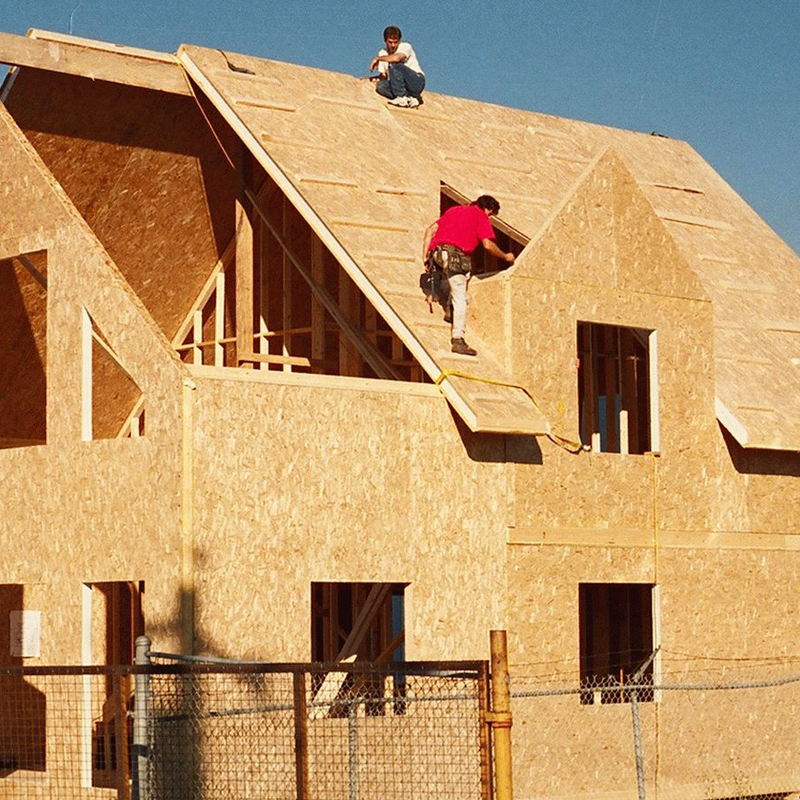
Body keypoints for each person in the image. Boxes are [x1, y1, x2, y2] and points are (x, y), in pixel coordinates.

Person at [422, 196, 516, 356]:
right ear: (488, 209)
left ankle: (449, 307)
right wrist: (505, 256)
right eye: (490, 215)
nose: (489, 218)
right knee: (461, 296)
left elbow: (430, 230)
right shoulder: (480, 215)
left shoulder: (454, 210)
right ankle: (458, 339)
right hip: (454, 256)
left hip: (437, 255)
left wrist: (425, 257)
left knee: (461, 275)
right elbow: (487, 245)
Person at [369, 26, 425, 108]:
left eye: (395, 42)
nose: (393, 45)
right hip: (401, 85)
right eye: (390, 42)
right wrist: (369, 79)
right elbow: (383, 76)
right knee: (381, 86)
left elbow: (396, 58)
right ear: (385, 41)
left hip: (416, 81)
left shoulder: (405, 46)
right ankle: (410, 98)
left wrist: (378, 59)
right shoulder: (382, 53)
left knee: (393, 64)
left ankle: (401, 97)